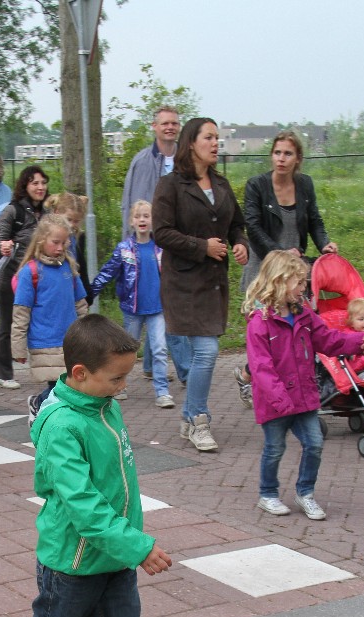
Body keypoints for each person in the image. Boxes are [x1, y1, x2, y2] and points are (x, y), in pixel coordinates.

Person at [0, 314, 204, 617]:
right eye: (116, 378)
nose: (123, 387)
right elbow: (84, 506)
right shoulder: (62, 426)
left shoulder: (104, 405)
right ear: (79, 373)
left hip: (113, 561)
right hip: (71, 567)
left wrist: (126, 547)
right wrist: (138, 547)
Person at [245, 252, 364, 520]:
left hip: (304, 397)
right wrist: (280, 401)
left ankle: (306, 492)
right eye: (299, 282)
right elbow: (261, 368)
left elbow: (330, 340)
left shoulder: (304, 314)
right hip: (276, 403)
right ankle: (268, 494)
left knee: (314, 444)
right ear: (280, 281)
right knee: (274, 449)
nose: (304, 288)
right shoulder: (259, 322)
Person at [152, 117, 248, 453]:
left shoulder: (221, 183)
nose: (215, 143)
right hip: (182, 284)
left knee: (203, 353)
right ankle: (198, 419)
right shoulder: (170, 185)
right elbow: (161, 233)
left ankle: (189, 415)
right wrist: (201, 246)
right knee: (206, 352)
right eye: (209, 137)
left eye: (217, 137)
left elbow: (236, 224)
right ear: (191, 143)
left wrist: (240, 244)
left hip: (213, 283)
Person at [235, 130, 339, 406]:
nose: (281, 159)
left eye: (288, 154)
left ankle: (291, 389)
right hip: (264, 269)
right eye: (277, 153)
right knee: (267, 333)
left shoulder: (305, 184)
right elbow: (253, 227)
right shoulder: (257, 185)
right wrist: (278, 253)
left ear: (298, 159)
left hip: (294, 273)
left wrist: (325, 244)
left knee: (296, 331)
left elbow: (315, 220)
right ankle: (251, 377)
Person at [122, 105, 190, 386]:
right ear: (155, 127)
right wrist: (133, 246)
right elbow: (134, 205)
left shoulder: (186, 159)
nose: (170, 127)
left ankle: (151, 365)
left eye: (174, 123)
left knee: (160, 304)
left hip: (180, 241)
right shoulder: (142, 161)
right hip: (152, 245)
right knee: (166, 304)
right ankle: (187, 371)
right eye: (165, 123)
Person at [90, 200, 174, 408]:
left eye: (146, 216)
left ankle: (162, 391)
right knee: (126, 350)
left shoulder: (161, 248)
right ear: (131, 221)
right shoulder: (124, 249)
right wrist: (90, 293)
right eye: (138, 216)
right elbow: (107, 272)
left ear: (153, 220)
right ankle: (119, 386)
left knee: (160, 349)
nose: (142, 220)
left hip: (158, 309)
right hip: (132, 309)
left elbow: (174, 274)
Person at [14, 214, 90, 419]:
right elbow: (21, 311)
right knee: (60, 385)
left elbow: (80, 303)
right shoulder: (30, 272)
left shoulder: (68, 267)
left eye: (64, 242)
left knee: (69, 384)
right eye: (55, 242)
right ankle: (39, 403)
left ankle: (48, 409)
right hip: (44, 340)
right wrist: (18, 346)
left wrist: (88, 331)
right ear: (41, 240)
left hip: (70, 338)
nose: (60, 247)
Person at [0, 165, 49, 389]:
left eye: (43, 183)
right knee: (8, 325)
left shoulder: (49, 212)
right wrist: (2, 247)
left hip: (39, 280)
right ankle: (3, 373)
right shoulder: (12, 211)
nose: (40, 187)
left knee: (41, 323)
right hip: (11, 278)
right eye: (35, 183)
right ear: (25, 186)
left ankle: (44, 369)